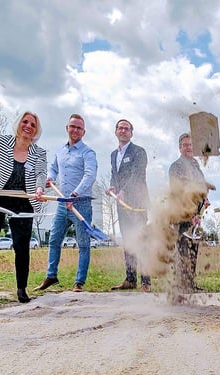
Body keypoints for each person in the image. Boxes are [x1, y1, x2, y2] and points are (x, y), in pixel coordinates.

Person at [0, 112, 46, 304]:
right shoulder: (0, 141)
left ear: (36, 130)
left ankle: (21, 288)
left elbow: (41, 174)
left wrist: (39, 188)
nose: (28, 126)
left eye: (33, 124)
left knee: (22, 247)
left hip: (22, 201)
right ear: (19, 123)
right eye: (25, 121)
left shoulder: (39, 152)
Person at [35, 114, 98, 292]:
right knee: (54, 239)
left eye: (79, 128)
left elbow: (90, 175)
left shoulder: (88, 153)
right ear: (67, 128)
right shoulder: (60, 151)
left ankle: (79, 282)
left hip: (81, 203)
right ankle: (51, 276)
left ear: (83, 132)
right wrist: (50, 177)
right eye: (73, 126)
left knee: (83, 243)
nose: (75, 130)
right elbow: (54, 167)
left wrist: (75, 194)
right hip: (63, 204)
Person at [107, 119, 151, 292]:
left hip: (138, 203)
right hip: (122, 204)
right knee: (128, 241)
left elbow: (137, 175)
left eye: (127, 128)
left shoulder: (139, 152)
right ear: (116, 131)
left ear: (131, 133)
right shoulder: (113, 155)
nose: (123, 130)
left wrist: (124, 190)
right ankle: (130, 279)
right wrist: (112, 186)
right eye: (120, 128)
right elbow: (114, 175)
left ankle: (146, 281)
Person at [168, 133, 211, 292]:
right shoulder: (176, 166)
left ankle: (190, 284)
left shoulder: (196, 166)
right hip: (182, 214)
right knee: (183, 251)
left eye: (191, 145)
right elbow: (179, 192)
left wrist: (204, 200)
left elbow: (201, 188)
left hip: (196, 215)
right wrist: (191, 213)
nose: (189, 148)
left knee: (193, 250)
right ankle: (181, 285)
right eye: (185, 145)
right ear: (180, 148)